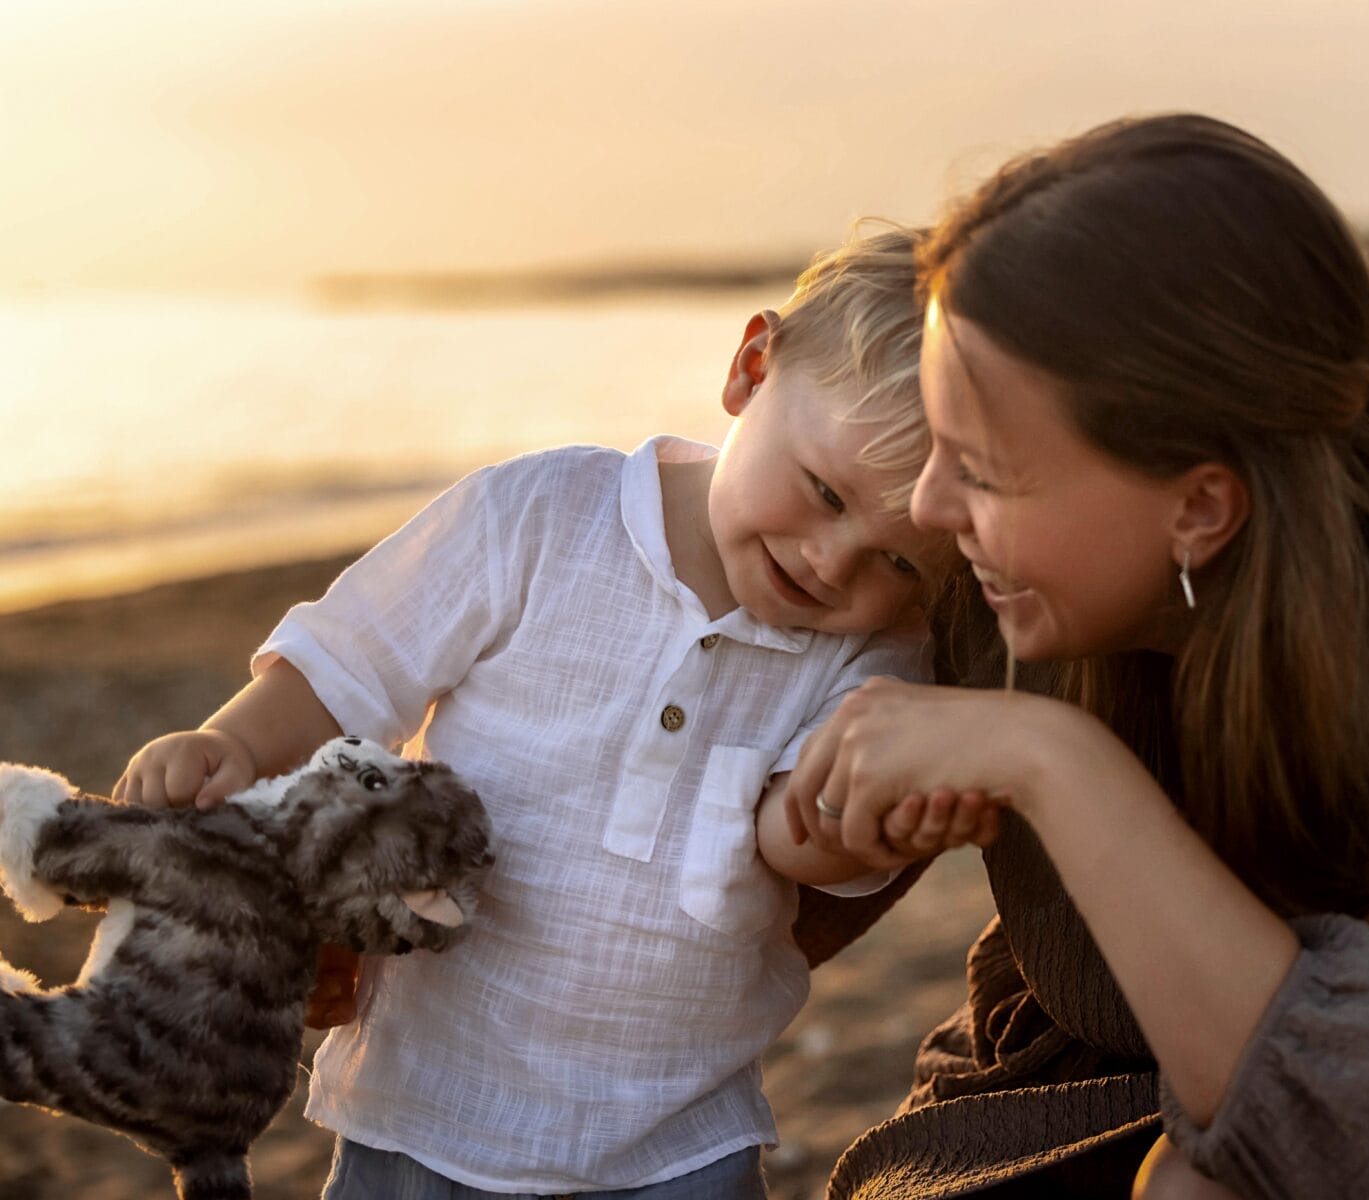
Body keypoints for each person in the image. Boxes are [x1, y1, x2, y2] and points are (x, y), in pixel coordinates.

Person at [783, 115, 1369, 1199]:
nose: (928, 506)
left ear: (1200, 507)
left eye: (983, 471)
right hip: (1050, 1098)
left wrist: (1057, 760)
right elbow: (765, 896)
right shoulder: (977, 559)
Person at [112, 225, 1000, 1200]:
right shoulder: (539, 517)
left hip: (677, 1133)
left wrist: (860, 821)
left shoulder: (876, 653)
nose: (835, 562)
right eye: (824, 491)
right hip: (426, 1101)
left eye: (900, 561)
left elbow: (793, 839)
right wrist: (232, 744)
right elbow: (353, 664)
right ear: (751, 367)